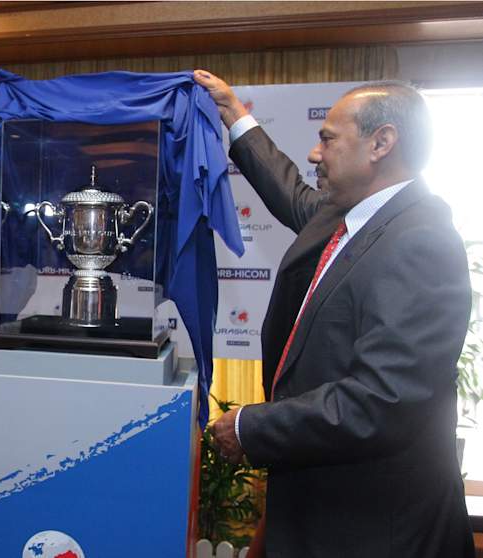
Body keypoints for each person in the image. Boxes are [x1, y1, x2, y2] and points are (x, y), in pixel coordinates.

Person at [194, 70, 475, 557]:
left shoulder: (421, 240)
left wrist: (251, 427)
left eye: (328, 139)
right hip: (320, 514)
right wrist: (236, 118)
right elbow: (293, 195)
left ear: (381, 143)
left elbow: (381, 399)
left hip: (373, 531)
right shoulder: (350, 216)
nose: (314, 154)